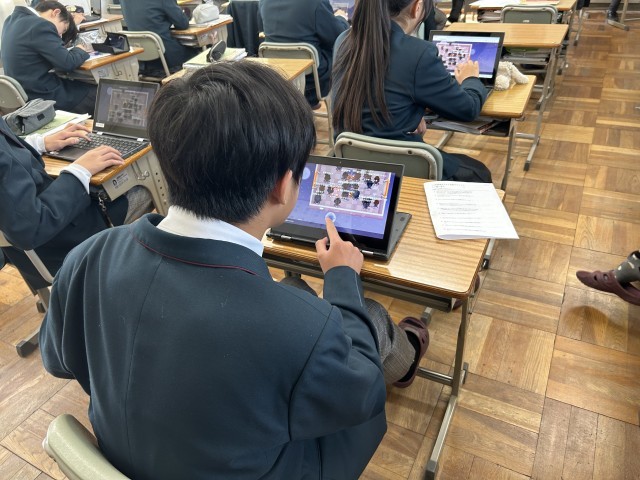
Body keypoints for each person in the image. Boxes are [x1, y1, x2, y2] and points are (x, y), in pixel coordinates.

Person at [39, 61, 429, 480]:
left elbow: (58, 361)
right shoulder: (300, 330)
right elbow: (362, 393)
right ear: (282, 186)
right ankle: (407, 350)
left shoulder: (88, 256)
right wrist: (343, 280)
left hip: (127, 454)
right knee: (366, 323)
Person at [332, 0, 493, 183]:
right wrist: (471, 79)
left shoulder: (343, 40)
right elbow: (468, 109)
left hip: (349, 161)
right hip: (401, 165)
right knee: (479, 172)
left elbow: (373, 92)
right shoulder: (420, 53)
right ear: (417, 7)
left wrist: (411, 114)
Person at [0, 117, 151, 289]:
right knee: (153, 174)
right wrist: (79, 171)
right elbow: (29, 228)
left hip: (26, 254)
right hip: (61, 244)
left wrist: (38, 143)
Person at [1, 1, 95, 115]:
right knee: (100, 93)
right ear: (55, 13)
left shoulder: (11, 21)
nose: (59, 35)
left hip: (24, 94)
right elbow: (68, 62)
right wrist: (80, 49)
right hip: (43, 97)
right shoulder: (40, 25)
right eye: (63, 29)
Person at [259, 0, 349, 108]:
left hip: (278, 80)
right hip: (313, 83)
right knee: (341, 52)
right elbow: (337, 36)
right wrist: (341, 18)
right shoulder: (316, 3)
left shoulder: (264, 2)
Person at [119, 0, 200, 75]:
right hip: (168, 60)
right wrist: (185, 14)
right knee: (199, 51)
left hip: (143, 62)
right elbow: (182, 24)